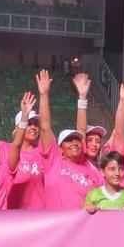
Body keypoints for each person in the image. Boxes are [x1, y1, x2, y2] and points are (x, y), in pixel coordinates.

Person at [35, 70, 103, 210]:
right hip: (55, 228)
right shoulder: (54, 161)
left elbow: (82, 130)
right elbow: (45, 126)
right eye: (69, 140)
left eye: (77, 140)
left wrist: (83, 97)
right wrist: (43, 94)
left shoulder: (94, 172)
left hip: (83, 229)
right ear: (60, 148)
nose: (74, 142)